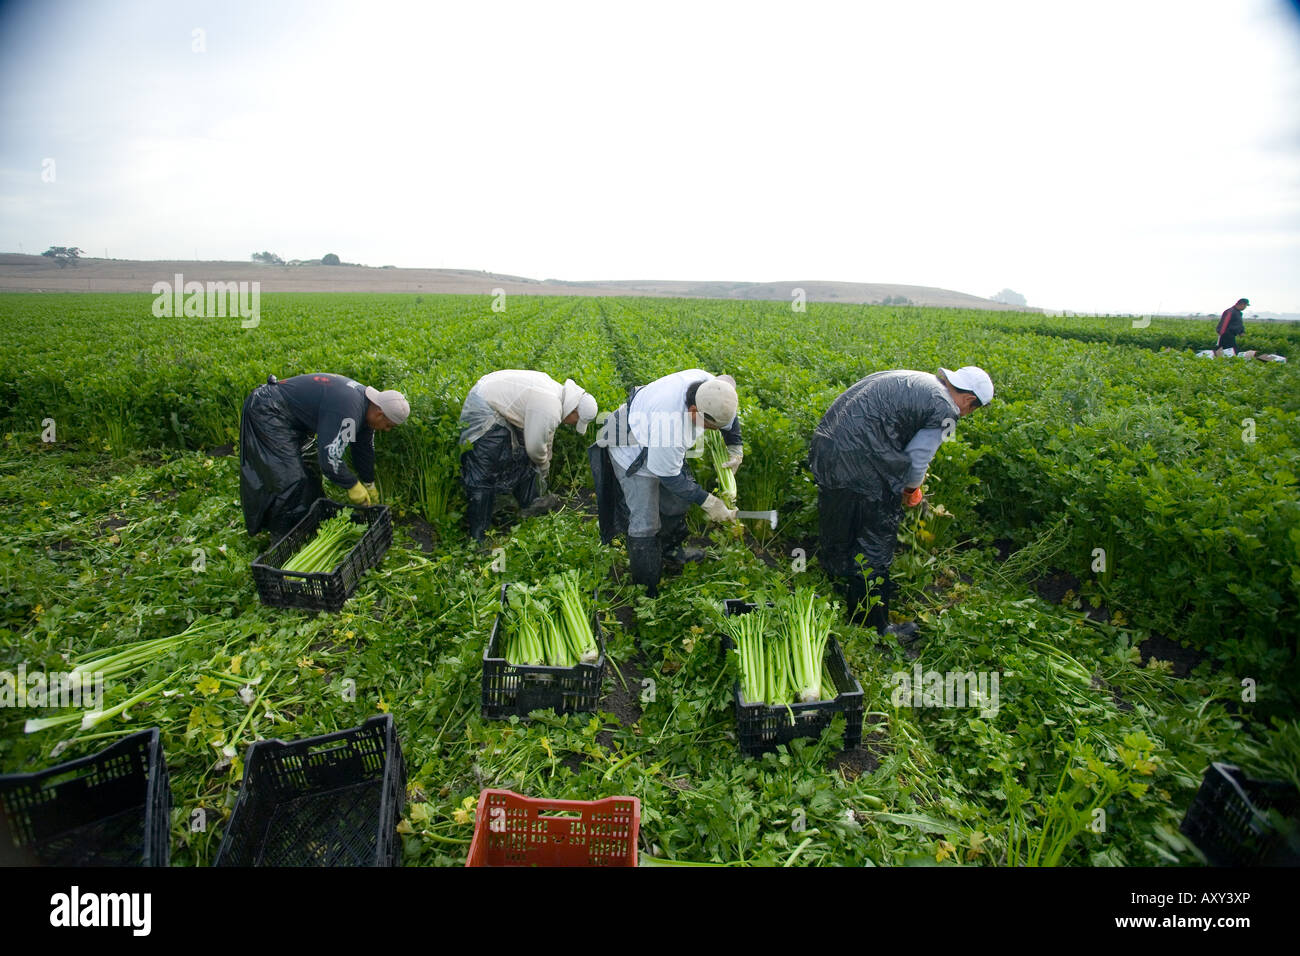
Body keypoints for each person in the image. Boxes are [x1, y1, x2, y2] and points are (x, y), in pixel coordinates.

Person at [809, 366, 993, 638]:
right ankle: (872, 625)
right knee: (875, 539)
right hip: (862, 463)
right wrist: (911, 490)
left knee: (842, 519)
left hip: (828, 447)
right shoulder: (945, 409)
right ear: (968, 401)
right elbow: (918, 458)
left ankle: (837, 579)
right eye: (972, 410)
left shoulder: (919, 381)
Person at [590, 369, 742, 596]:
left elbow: (727, 415)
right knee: (645, 522)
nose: (715, 431)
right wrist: (709, 502)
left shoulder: (711, 388)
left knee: (675, 503)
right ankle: (646, 586)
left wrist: (735, 446)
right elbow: (669, 477)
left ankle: (671, 553)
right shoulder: (671, 427)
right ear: (694, 413)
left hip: (657, 440)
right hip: (631, 450)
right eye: (713, 427)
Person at [240, 373, 409, 536]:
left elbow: (363, 449)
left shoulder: (367, 408)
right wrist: (352, 485)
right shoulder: (348, 410)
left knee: (310, 472)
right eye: (388, 425)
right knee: (291, 479)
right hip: (269, 410)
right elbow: (330, 458)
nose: (386, 430)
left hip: (291, 418)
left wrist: (369, 482)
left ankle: (306, 526)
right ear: (379, 413)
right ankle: (284, 536)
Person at [459, 370, 598, 540]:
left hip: (489, 397)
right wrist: (543, 465)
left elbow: (546, 437)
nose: (572, 424)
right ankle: (478, 538)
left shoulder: (555, 396)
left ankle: (515, 506)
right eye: (576, 421)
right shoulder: (549, 406)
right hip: (484, 407)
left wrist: (546, 461)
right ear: (573, 411)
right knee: (485, 470)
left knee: (515, 458)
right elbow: (534, 449)